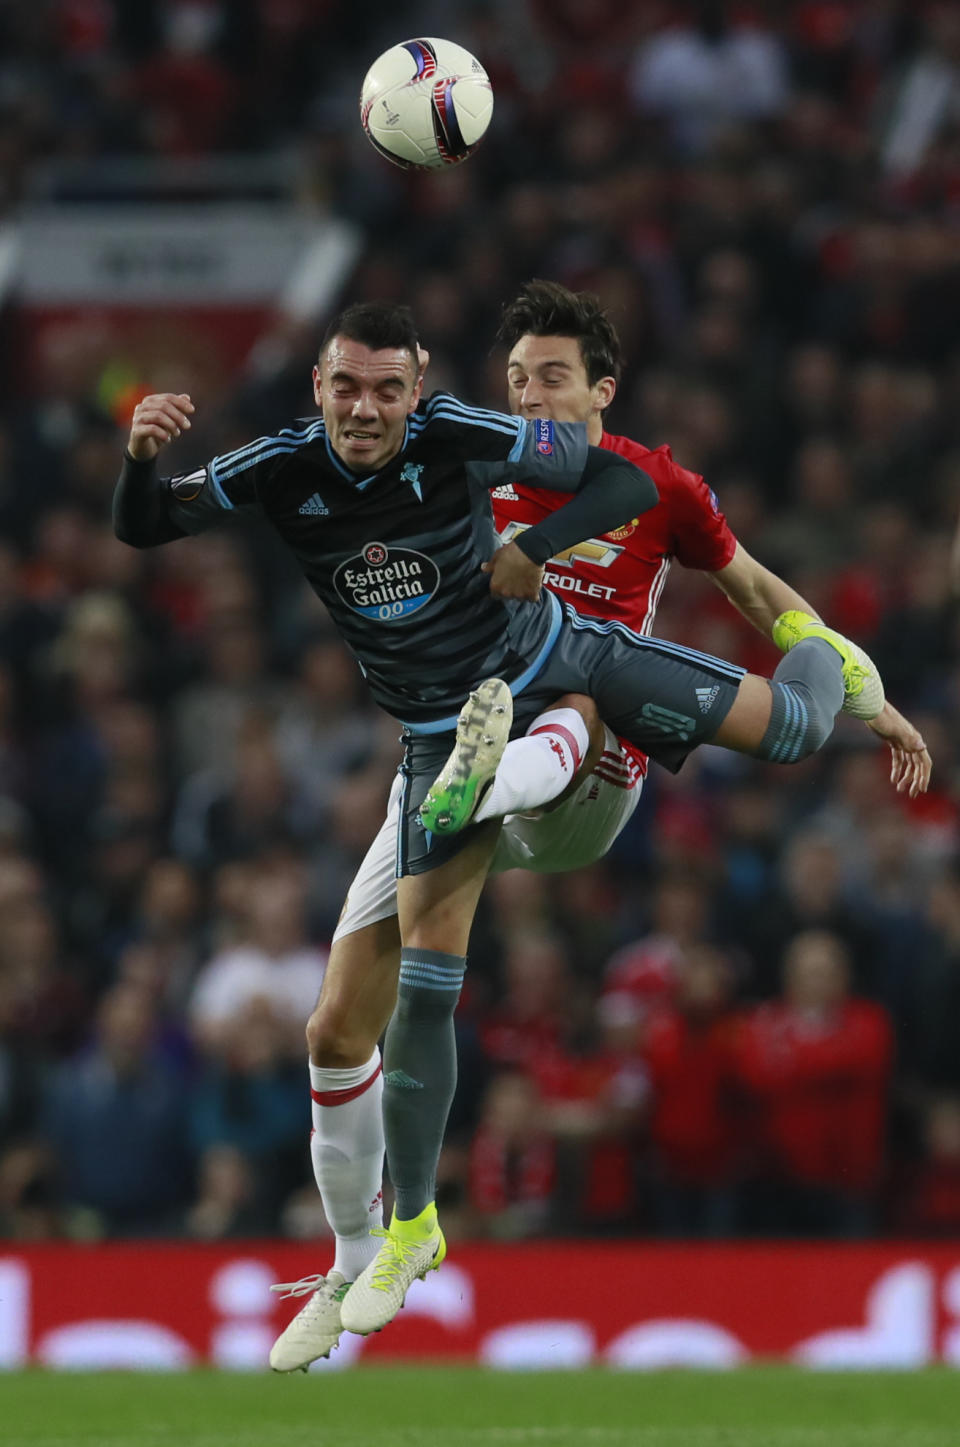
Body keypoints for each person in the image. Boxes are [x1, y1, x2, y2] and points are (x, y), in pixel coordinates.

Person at [113, 298, 927, 1366]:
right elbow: (147, 523)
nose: (530, 396)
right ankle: (377, 1244)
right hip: (439, 740)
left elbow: (727, 561)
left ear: (599, 392)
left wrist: (536, 552)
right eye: (519, 375)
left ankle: (528, 766)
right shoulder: (312, 462)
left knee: (787, 724)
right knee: (342, 1025)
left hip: (585, 714)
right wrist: (137, 458)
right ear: (317, 386)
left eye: (551, 377)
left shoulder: (574, 461)